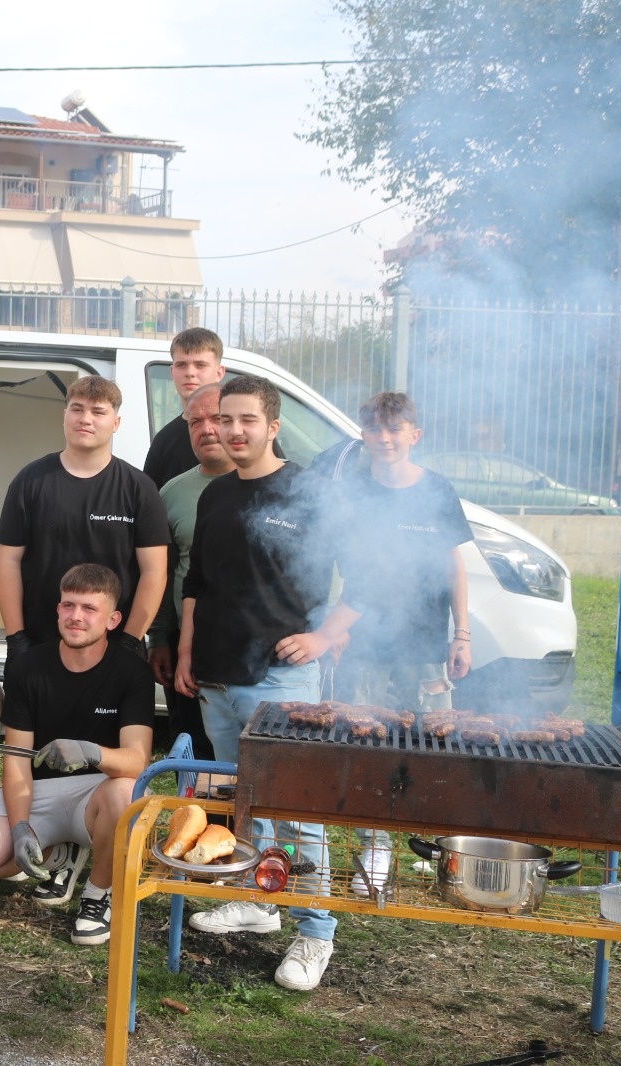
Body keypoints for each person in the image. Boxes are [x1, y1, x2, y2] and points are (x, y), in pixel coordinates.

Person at [175, 375, 359, 992]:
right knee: (244, 805)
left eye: (246, 420)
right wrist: (186, 651)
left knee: (298, 810)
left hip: (282, 680)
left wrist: (325, 638)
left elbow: (365, 580)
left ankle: (317, 933)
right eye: (225, 420)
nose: (232, 431)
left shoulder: (311, 494)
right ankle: (260, 900)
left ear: (273, 426)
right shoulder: (214, 495)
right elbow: (196, 583)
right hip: (218, 678)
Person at [0, 374, 167, 904]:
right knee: (42, 748)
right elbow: (9, 561)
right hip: (45, 644)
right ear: (64, 415)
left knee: (102, 751)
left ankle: (93, 839)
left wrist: (132, 638)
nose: (85, 418)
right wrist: (18, 635)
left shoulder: (137, 488)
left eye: (97, 410)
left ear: (116, 421)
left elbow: (154, 571)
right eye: (76, 408)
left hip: (110, 646)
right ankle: (57, 841)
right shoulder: (32, 480)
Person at [0, 564, 154, 946]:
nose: (76, 617)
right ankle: (58, 853)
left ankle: (97, 895)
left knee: (125, 792)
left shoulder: (132, 672)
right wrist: (20, 826)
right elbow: (16, 759)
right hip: (39, 793)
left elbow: (137, 761)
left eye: (89, 609)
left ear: (113, 619)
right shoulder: (29, 667)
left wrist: (90, 752)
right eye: (68, 605)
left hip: (96, 795)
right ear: (57, 609)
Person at [330, 391, 473, 897]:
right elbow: (338, 565)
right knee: (370, 743)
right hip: (367, 644)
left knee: (434, 744)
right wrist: (337, 627)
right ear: (364, 436)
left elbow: (456, 565)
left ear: (415, 434)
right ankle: (377, 848)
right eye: (374, 429)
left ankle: (440, 848)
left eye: (395, 430)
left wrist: (462, 634)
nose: (385, 439)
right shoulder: (353, 492)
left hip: (425, 645)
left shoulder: (436, 490)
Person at [145, 382, 230, 762]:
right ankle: (198, 821)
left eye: (218, 418)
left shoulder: (277, 486)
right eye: (196, 421)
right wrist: (160, 638)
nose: (206, 429)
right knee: (196, 750)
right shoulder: (172, 494)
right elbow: (159, 575)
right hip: (187, 648)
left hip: (264, 651)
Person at [142, 327, 228, 491]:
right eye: (181, 365)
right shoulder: (164, 441)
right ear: (172, 372)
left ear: (219, 372)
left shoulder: (242, 430)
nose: (190, 373)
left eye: (200, 365)